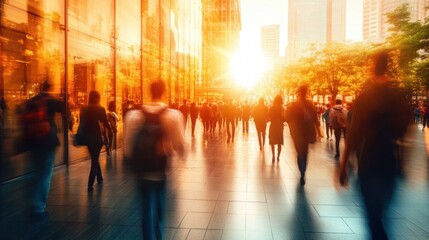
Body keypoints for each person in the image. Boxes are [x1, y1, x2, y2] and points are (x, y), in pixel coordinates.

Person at [338, 50, 410, 240]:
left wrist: (343, 165)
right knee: (380, 215)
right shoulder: (399, 96)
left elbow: (353, 134)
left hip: (369, 161)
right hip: (390, 162)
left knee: (373, 218)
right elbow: (405, 130)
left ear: (373, 67)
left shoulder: (366, 97)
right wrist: (403, 161)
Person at [124, 79, 185, 240]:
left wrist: (129, 161)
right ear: (163, 92)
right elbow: (180, 144)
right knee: (159, 200)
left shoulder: (133, 115)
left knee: (145, 207)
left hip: (141, 170)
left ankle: (148, 236)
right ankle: (158, 233)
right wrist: (180, 153)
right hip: (160, 168)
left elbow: (128, 146)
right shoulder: (172, 115)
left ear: (149, 91)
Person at [24, 80, 69, 219]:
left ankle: (33, 202)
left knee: (37, 172)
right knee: (45, 175)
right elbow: (66, 108)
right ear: (50, 88)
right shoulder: (50, 100)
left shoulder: (31, 101)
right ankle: (38, 208)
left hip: (32, 142)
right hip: (47, 142)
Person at [285, 85, 322, 185]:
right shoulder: (309, 103)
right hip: (307, 132)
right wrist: (319, 131)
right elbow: (315, 118)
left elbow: (287, 118)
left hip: (297, 132)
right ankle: (303, 172)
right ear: (306, 93)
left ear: (298, 93)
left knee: (299, 152)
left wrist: (291, 127)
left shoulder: (294, 104)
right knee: (304, 153)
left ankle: (301, 170)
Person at [80, 91, 112, 192]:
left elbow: (82, 124)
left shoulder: (84, 109)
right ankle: (90, 184)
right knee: (94, 160)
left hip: (88, 139)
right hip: (97, 139)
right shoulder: (100, 109)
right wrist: (110, 130)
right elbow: (106, 123)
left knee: (94, 157)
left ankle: (100, 177)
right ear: (97, 98)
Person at [268, 95, 285, 162]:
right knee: (279, 143)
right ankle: (278, 157)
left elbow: (269, 117)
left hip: (273, 126)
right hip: (280, 127)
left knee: (272, 142)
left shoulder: (271, 108)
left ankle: (273, 156)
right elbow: (284, 118)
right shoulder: (282, 108)